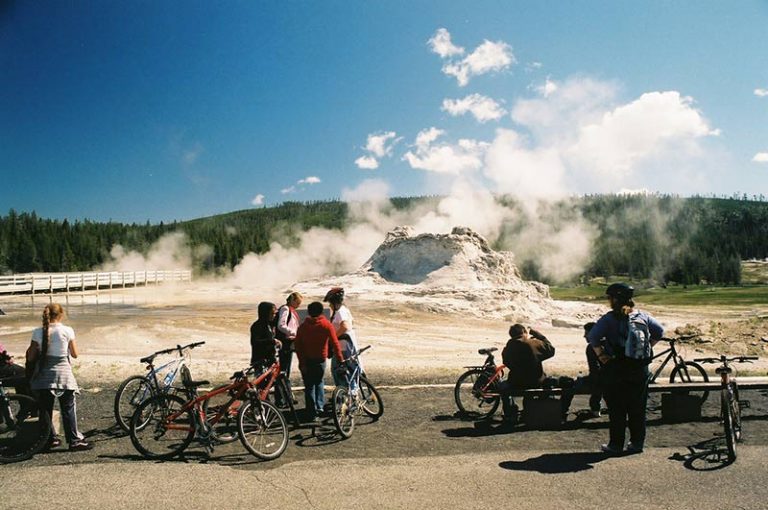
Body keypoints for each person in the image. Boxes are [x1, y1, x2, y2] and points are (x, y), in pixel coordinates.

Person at [587, 283, 664, 455]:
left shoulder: (609, 319)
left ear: (615, 299)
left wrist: (601, 356)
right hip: (639, 368)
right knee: (638, 408)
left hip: (617, 368)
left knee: (617, 409)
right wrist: (648, 348)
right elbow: (660, 331)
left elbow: (593, 336)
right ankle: (637, 444)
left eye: (610, 298)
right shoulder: (642, 316)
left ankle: (616, 445)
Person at [25, 303, 92, 451]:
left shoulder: (37, 332)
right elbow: (75, 354)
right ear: (61, 315)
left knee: (45, 409)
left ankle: (49, 439)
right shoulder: (67, 331)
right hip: (63, 375)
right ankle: (74, 440)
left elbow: (31, 358)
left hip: (44, 376)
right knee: (68, 407)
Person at [294, 301, 345, 423]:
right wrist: (340, 358)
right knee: (319, 382)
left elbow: (298, 346)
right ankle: (319, 407)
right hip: (320, 359)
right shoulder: (326, 325)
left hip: (307, 360)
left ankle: (311, 412)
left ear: (309, 312)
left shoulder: (303, 327)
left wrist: (301, 362)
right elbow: (335, 343)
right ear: (321, 312)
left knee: (309, 386)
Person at [497, 324, 556, 424]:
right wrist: (539, 336)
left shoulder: (510, 346)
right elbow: (551, 350)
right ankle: (528, 413)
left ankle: (510, 413)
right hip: (536, 381)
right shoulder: (534, 343)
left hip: (516, 382)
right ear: (524, 332)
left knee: (502, 386)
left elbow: (506, 361)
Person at [323, 287, 360, 387]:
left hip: (343, 347)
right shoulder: (344, 310)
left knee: (338, 370)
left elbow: (345, 326)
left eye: (330, 303)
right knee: (346, 370)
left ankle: (345, 395)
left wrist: (332, 338)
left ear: (334, 302)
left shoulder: (340, 312)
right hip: (346, 345)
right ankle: (349, 394)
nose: (330, 306)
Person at [273, 292, 302, 406]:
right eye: (298, 302)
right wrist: (293, 332)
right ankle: (282, 399)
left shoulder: (289, 309)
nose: (299, 305)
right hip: (285, 343)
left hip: (288, 343)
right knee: (283, 371)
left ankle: (287, 397)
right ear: (292, 300)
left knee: (285, 371)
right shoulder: (285, 309)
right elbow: (281, 325)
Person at [250, 301, 281, 369]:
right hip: (260, 362)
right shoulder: (257, 326)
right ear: (265, 313)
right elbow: (255, 342)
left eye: (275, 314)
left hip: (270, 360)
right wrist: (272, 341)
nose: (274, 316)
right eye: (272, 314)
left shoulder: (269, 324)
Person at [583, 322, 605, 418]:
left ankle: (595, 408)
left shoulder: (592, 347)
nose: (584, 336)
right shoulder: (610, 342)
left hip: (602, 379)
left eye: (586, 333)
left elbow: (594, 369)